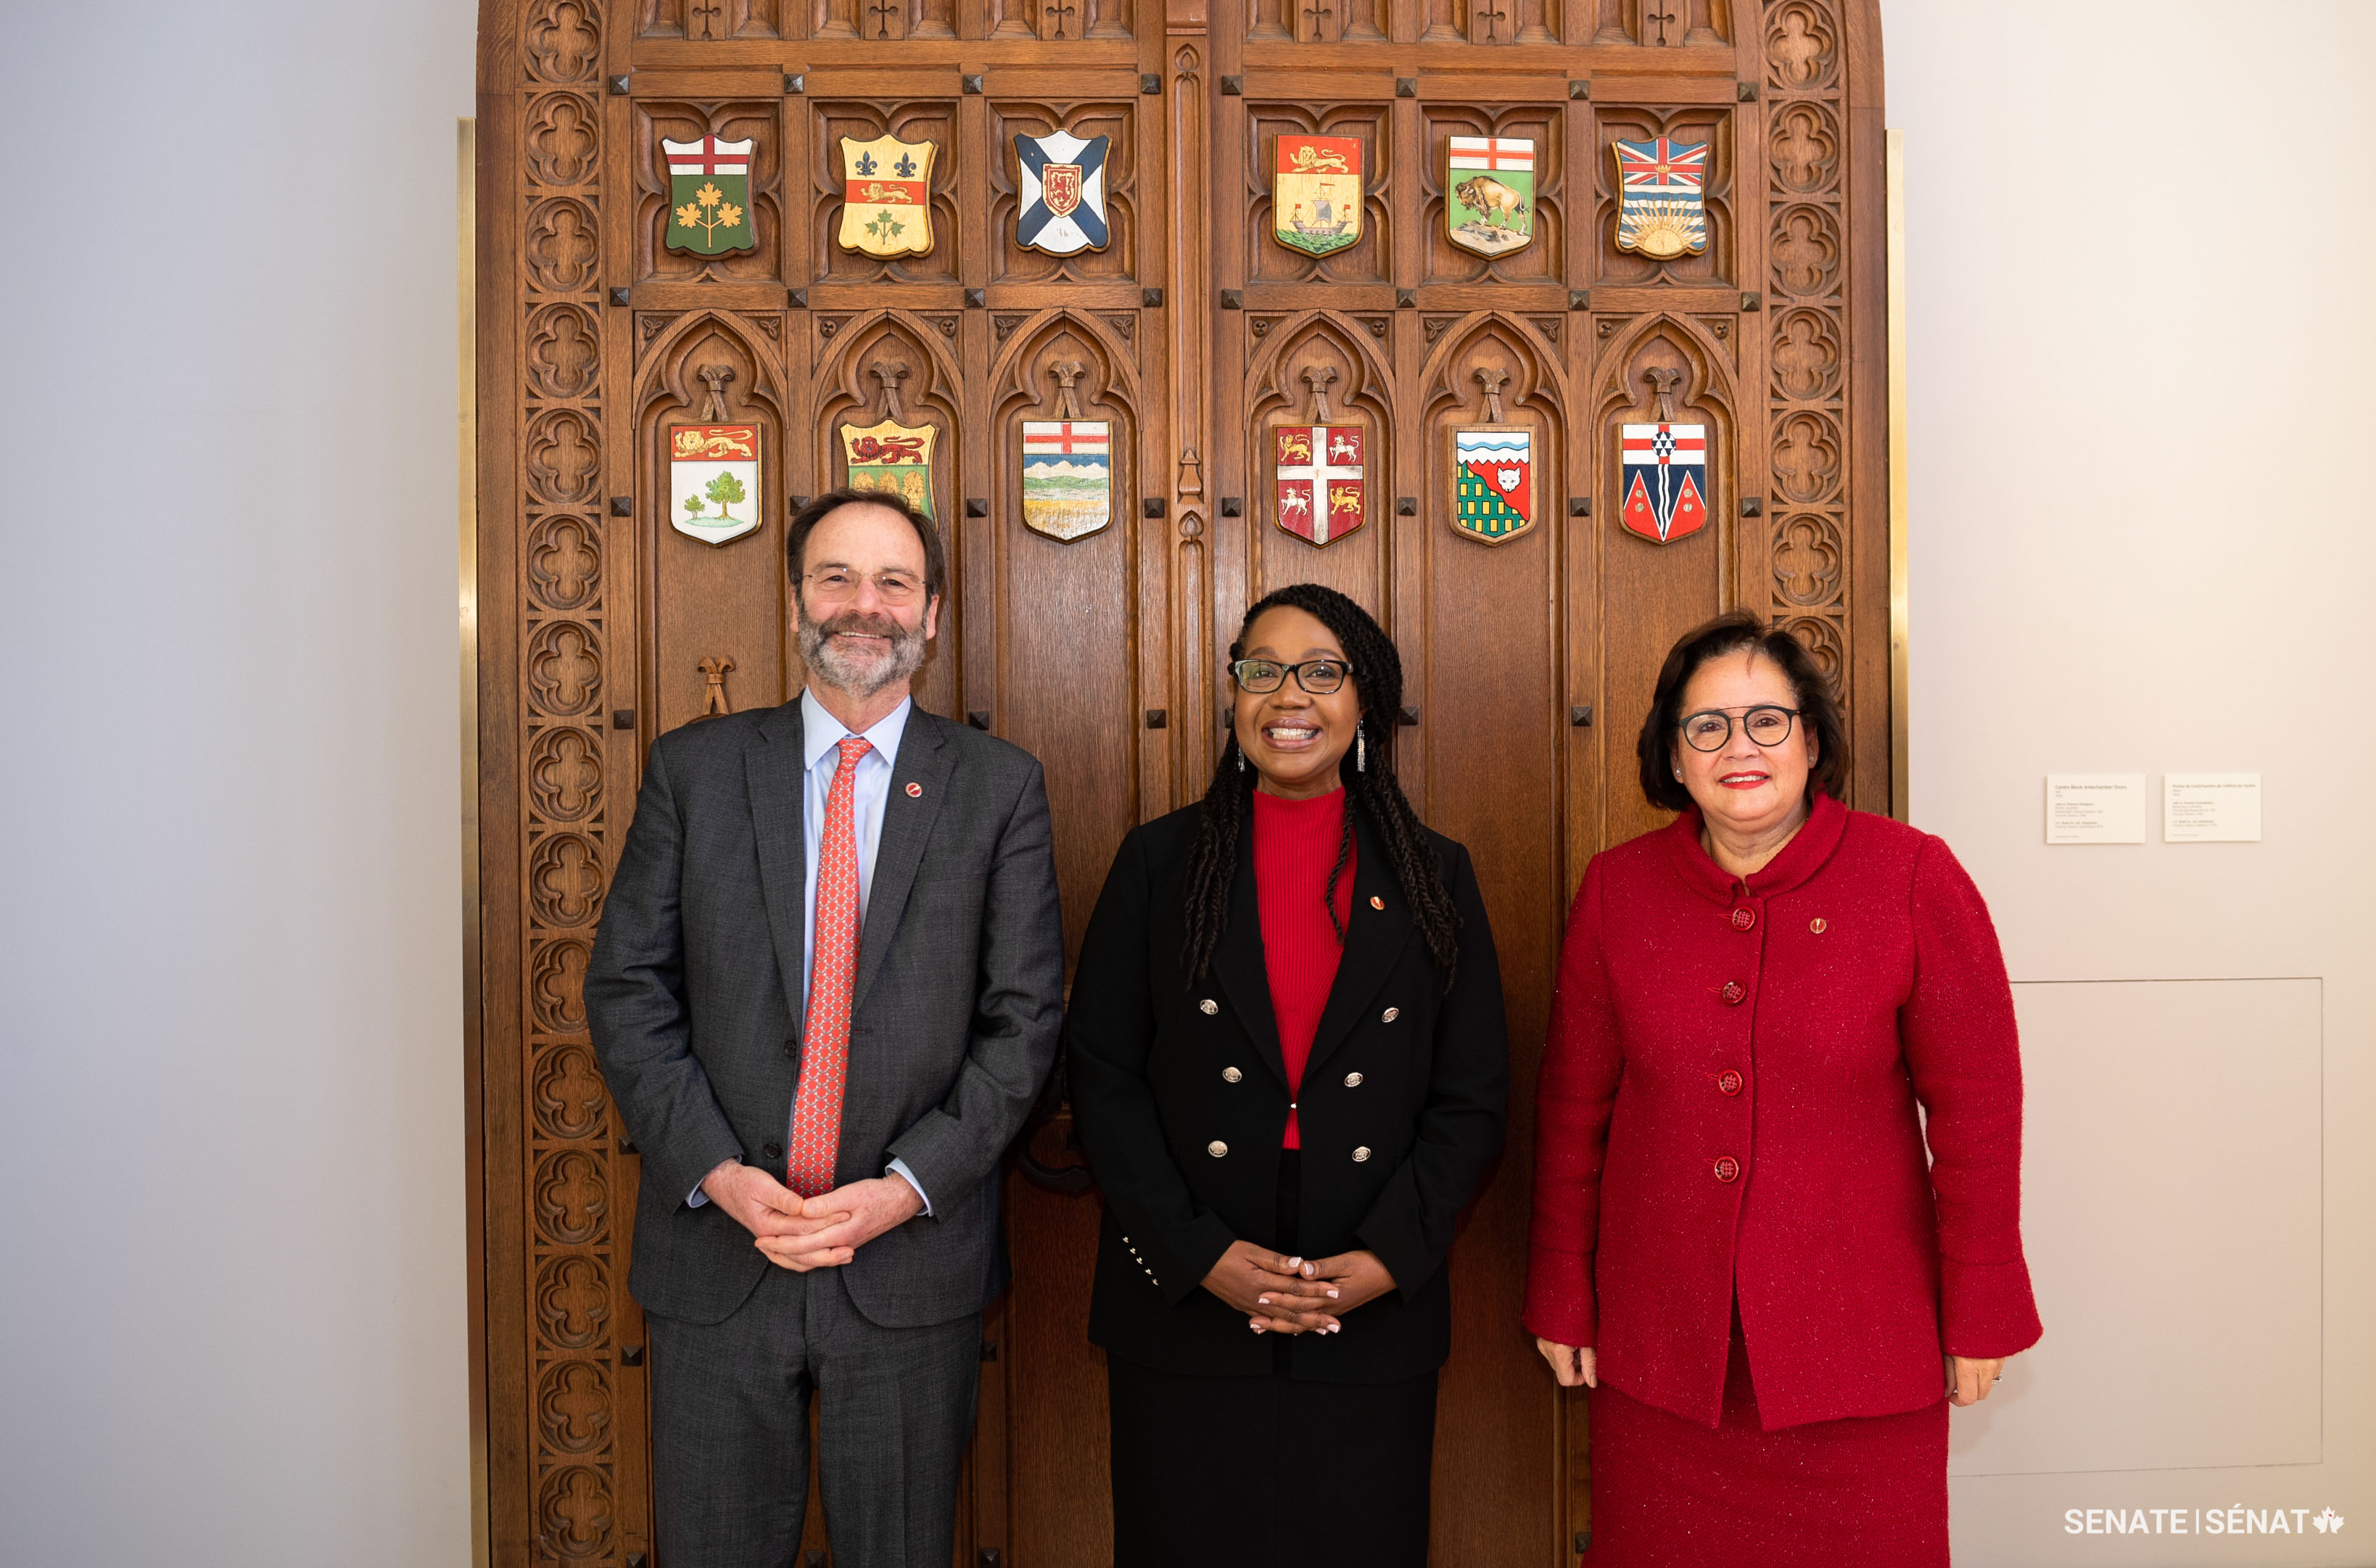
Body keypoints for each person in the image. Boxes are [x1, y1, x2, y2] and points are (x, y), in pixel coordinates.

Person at [585, 488, 1065, 1568]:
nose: (866, 606)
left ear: (933, 613)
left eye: (895, 582)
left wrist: (904, 1187)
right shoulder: (693, 771)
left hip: (908, 1266)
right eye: (837, 578)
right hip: (720, 1254)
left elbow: (1025, 1023)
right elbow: (628, 990)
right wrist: (715, 1166)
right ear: (794, 600)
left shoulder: (998, 789)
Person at [1523, 612, 2042, 1567]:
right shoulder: (1617, 890)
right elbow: (1572, 1114)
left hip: (1859, 1355)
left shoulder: (1914, 877)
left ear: (1812, 738)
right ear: (1673, 759)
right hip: (1665, 1362)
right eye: (1706, 725)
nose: (1739, 747)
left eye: (1767, 719)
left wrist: (1980, 1307)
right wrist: (1562, 1285)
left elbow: (1979, 1116)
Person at [1066, 584, 1509, 1567]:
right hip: (1185, 1299)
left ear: (1366, 703)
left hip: (1369, 1297)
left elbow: (1472, 1096)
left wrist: (1391, 1257)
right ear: (1233, 695)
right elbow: (1103, 1077)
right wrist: (1198, 1254)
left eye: (1321, 670)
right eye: (1259, 669)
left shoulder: (1434, 874)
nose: (1286, 695)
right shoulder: (1159, 862)